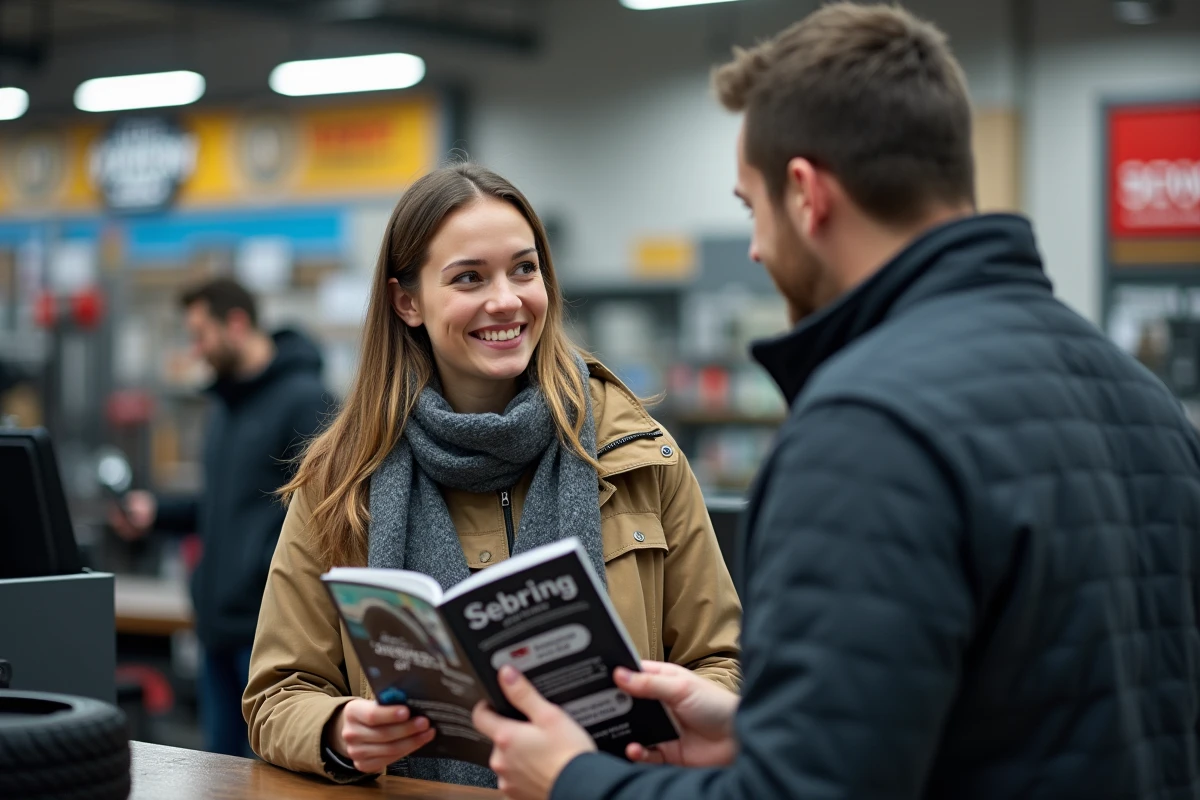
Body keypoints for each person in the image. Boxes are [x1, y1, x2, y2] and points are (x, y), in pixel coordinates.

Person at [473, 4, 1200, 800]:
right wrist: (762, 734)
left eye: (753, 209)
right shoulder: (1143, 399)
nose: (754, 247)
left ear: (806, 194)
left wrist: (572, 779)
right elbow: (1030, 713)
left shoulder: (869, 427)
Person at [242, 164, 742, 789]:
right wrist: (340, 730)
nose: (506, 299)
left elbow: (723, 661)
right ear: (408, 302)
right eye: (469, 278)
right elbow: (277, 695)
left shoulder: (637, 454)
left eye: (524, 269)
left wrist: (663, 713)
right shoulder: (343, 479)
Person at [111, 278, 331, 757]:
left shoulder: (307, 401)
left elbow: (324, 518)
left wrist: (255, 578)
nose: (197, 349)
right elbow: (222, 507)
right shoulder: (225, 406)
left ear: (236, 323)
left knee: (270, 778)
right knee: (216, 776)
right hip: (216, 628)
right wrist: (158, 515)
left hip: (267, 635)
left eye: (201, 334)